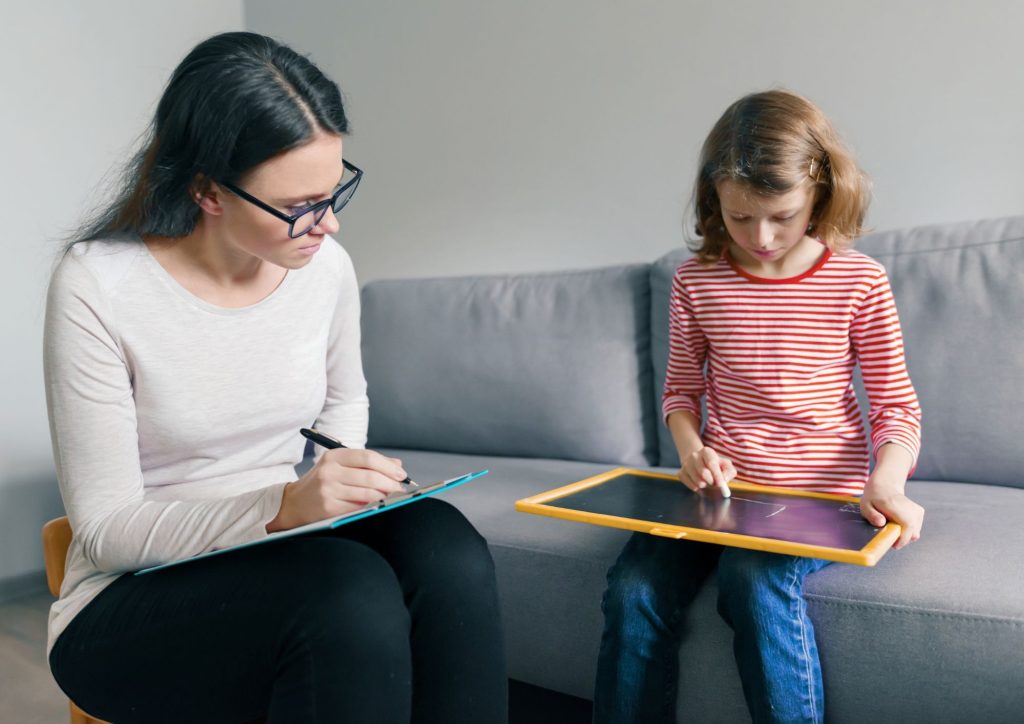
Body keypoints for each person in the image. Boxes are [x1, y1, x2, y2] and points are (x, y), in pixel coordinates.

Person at [43, 31, 506, 723]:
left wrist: (346, 476)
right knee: (345, 596)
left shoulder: (324, 270)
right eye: (299, 206)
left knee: (447, 546)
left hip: (288, 549)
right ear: (207, 191)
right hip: (132, 595)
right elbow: (107, 530)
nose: (330, 226)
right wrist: (282, 507)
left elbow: (345, 398)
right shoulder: (99, 285)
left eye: (334, 189)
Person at [592, 89, 923, 723]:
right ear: (713, 198)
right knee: (634, 590)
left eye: (782, 215)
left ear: (819, 193)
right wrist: (692, 452)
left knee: (751, 580)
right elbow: (681, 392)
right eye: (740, 217)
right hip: (719, 496)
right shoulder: (696, 282)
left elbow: (895, 405)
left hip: (816, 494)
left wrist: (886, 481)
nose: (761, 237)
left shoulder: (859, 281)